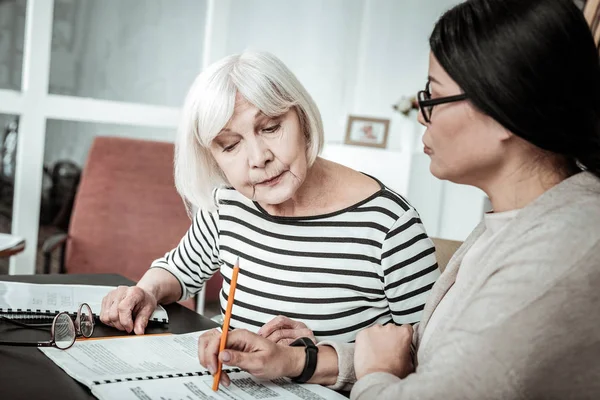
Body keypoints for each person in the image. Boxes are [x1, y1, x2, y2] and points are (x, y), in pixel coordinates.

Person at [196, 0, 600, 397]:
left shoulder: (555, 253)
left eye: (433, 97)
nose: (422, 115)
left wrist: (378, 375)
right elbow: (426, 354)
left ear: (504, 105)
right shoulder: (513, 225)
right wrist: (298, 361)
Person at [99, 50, 440, 344]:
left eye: (271, 127)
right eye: (230, 145)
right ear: (212, 158)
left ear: (303, 119)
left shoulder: (389, 224)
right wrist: (146, 292)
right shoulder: (229, 203)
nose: (258, 157)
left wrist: (317, 356)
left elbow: (427, 356)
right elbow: (178, 270)